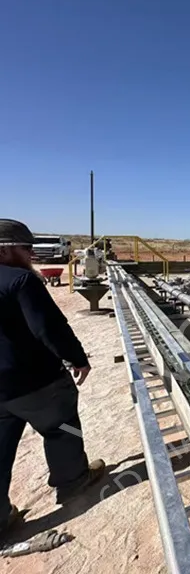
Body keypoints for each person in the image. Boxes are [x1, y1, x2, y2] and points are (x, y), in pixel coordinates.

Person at [0, 219, 105, 534]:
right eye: (26, 248)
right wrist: (77, 358)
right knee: (64, 427)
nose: (31, 255)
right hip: (36, 382)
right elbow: (48, 327)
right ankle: (73, 480)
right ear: (5, 250)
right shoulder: (21, 280)